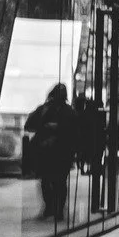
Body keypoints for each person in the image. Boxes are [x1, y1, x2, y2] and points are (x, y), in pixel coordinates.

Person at [26, 82, 77, 220]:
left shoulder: (46, 109)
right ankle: (56, 209)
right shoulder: (67, 111)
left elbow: (30, 124)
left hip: (50, 151)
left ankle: (52, 208)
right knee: (57, 182)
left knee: (49, 181)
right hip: (58, 152)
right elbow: (74, 132)